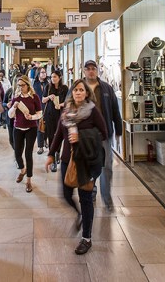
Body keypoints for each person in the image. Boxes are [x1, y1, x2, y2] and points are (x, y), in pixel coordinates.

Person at [45, 78, 107, 255]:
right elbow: (58, 134)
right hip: (67, 158)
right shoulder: (66, 111)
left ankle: (86, 238)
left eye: (81, 90)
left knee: (85, 198)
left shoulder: (92, 111)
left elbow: (104, 133)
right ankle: (78, 215)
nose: (78, 93)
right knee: (65, 193)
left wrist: (82, 136)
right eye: (75, 90)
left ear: (87, 93)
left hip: (86, 159)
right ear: (72, 93)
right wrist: (51, 154)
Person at [83, 59, 123, 210]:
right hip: (86, 135)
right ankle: (91, 192)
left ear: (97, 70)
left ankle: (107, 197)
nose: (91, 71)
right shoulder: (78, 88)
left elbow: (115, 110)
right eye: (88, 69)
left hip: (105, 134)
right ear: (84, 71)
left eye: (93, 68)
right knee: (88, 166)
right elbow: (69, 109)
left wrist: (118, 130)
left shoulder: (106, 88)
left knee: (107, 167)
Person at [7, 75, 42, 192]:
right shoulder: (16, 98)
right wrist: (14, 107)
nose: (20, 87)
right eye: (19, 85)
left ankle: (28, 181)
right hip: (18, 128)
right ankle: (22, 170)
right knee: (17, 154)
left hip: (31, 128)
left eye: (22, 85)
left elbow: (40, 113)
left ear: (27, 85)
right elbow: (10, 115)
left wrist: (32, 117)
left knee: (28, 154)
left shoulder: (34, 97)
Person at [44, 69, 68, 172]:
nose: (53, 79)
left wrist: (61, 105)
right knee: (50, 136)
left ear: (60, 78)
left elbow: (68, 101)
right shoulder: (48, 87)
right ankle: (52, 158)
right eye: (52, 77)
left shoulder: (65, 88)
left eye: (55, 77)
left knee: (59, 136)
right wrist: (49, 97)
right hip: (49, 115)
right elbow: (43, 100)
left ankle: (58, 152)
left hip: (61, 115)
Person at [33, 67, 50, 154]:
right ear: (38, 74)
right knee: (40, 127)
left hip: (47, 107)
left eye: (45, 72)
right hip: (38, 108)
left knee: (46, 127)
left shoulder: (48, 83)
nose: (44, 74)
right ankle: (40, 147)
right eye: (42, 72)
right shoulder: (34, 84)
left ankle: (45, 140)